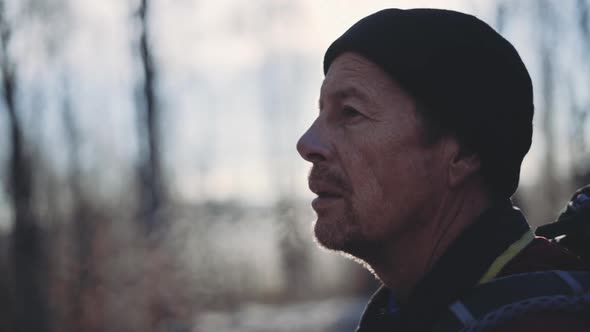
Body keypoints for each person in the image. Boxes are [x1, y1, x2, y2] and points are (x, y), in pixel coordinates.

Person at [296, 8, 590, 332]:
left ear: (463, 153)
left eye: (351, 112)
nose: (308, 143)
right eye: (321, 114)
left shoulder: (550, 320)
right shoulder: (420, 315)